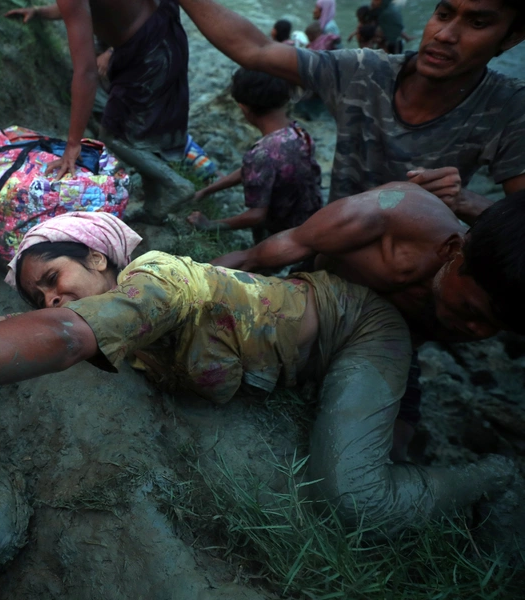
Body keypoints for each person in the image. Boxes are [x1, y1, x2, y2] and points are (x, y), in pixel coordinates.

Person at [0, 212, 513, 542]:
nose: (53, 296)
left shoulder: (157, 282)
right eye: (39, 295)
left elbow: (58, 335)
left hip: (359, 329)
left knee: (361, 502)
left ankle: (498, 472)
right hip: (299, 350)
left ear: (102, 255)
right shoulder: (112, 318)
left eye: (57, 275)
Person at [213, 184, 525, 459]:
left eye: (496, 328)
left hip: (393, 347)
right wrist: (193, 281)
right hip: (320, 310)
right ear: (452, 250)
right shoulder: (383, 218)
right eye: (472, 310)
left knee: (391, 449)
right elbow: (251, 258)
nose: (479, 331)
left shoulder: (499, 288)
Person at [178, 0, 525, 223]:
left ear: (512, 37)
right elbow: (256, 49)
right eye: (444, 14)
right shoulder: (364, 70)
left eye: (478, 23)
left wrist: (464, 201)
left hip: (413, 279)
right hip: (331, 250)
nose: (446, 35)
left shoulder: (510, 109)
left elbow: (517, 229)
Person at [5, 0, 195, 221]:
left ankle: (176, 185)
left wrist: (74, 143)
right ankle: (153, 208)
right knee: (139, 132)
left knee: (115, 135)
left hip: (148, 51)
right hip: (163, 29)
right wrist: (40, 12)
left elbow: (86, 72)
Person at [188, 69, 322, 243]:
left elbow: (256, 215)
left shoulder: (260, 154)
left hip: (282, 238)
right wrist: (206, 191)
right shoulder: (299, 133)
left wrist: (211, 224)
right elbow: (254, 170)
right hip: (311, 221)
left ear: (244, 108)